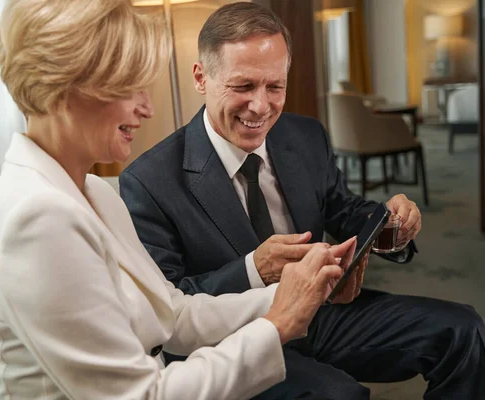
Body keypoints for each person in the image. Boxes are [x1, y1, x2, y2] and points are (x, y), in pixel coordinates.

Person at [0, 0, 357, 398]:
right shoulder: (36, 219)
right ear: (63, 86)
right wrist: (277, 326)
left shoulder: (95, 191)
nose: (147, 107)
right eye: (127, 87)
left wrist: (298, 292)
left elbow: (174, 314)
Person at [119, 2, 485, 399]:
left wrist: (387, 226)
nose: (261, 106)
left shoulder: (304, 135)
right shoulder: (148, 181)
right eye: (243, 86)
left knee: (464, 331)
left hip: (321, 312)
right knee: (341, 395)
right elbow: (165, 311)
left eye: (275, 86)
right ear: (201, 77)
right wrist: (254, 269)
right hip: (234, 340)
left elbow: (342, 208)